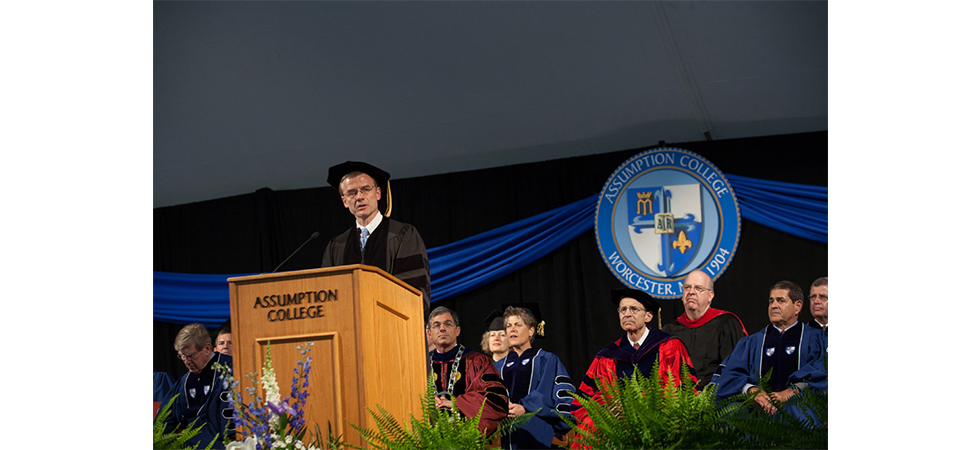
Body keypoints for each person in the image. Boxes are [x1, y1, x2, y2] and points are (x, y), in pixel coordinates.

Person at [571, 289, 696, 448]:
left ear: (648, 316)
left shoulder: (669, 347)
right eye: (623, 310)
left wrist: (638, 404)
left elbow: (685, 389)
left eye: (634, 309)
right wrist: (607, 408)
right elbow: (584, 399)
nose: (627, 314)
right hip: (616, 422)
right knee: (590, 427)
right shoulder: (607, 357)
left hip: (659, 420)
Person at [321, 161, 431, 309]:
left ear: (378, 193)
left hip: (392, 326)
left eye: (366, 189)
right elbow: (327, 296)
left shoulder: (403, 235)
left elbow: (414, 290)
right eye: (352, 193)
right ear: (344, 201)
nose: (359, 197)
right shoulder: (336, 246)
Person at [712, 281, 828, 416]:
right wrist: (753, 391)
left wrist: (792, 391)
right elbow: (730, 375)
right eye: (771, 301)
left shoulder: (817, 339)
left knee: (798, 411)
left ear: (797, 307)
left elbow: (823, 372)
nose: (774, 306)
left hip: (800, 404)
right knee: (734, 414)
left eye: (781, 301)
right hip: (757, 405)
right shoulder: (752, 343)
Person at [494, 306, 574, 449]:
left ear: (531, 330)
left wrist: (525, 407)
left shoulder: (547, 359)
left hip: (535, 425)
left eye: (518, 325)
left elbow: (549, 392)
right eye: (508, 326)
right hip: (502, 428)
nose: (512, 329)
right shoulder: (498, 366)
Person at [427, 306, 509, 435]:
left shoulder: (477, 361)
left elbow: (496, 401)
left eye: (448, 324)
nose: (442, 328)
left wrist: (457, 404)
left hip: (467, 440)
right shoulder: (421, 366)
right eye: (436, 325)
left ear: (457, 331)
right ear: (429, 333)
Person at [661, 270, 748, 390]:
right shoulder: (670, 330)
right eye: (687, 287)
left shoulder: (726, 323)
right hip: (681, 402)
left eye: (698, 288)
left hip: (718, 399)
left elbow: (734, 369)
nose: (691, 292)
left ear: (710, 296)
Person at [158, 323, 234, 449]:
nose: (186, 362)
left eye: (190, 356)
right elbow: (164, 422)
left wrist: (188, 435)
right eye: (182, 356)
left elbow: (224, 426)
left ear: (207, 348)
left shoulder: (231, 369)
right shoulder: (184, 382)